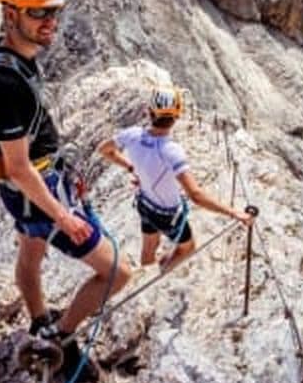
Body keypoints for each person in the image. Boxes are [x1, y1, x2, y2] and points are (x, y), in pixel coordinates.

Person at [0, 0, 131, 383]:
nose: (50, 21)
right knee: (116, 272)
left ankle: (40, 320)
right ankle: (60, 337)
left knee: (31, 251)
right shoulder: (4, 83)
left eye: (54, 10)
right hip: (40, 192)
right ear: (10, 14)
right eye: (38, 12)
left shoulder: (11, 55)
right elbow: (18, 167)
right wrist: (64, 215)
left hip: (29, 193)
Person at [98, 86, 253, 272]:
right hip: (167, 215)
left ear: (149, 111)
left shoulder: (131, 135)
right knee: (188, 248)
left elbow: (104, 150)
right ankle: (157, 274)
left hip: (144, 203)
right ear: (177, 116)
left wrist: (132, 167)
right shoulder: (172, 151)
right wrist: (234, 213)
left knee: (149, 245)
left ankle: (145, 271)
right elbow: (195, 195)